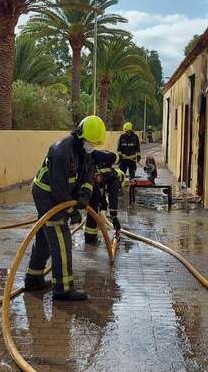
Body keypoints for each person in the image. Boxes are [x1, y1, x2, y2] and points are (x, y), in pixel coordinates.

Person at [23, 115, 106, 301]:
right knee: (61, 239)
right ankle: (63, 289)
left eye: (95, 144)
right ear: (79, 135)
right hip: (47, 196)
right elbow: (58, 188)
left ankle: (34, 278)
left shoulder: (83, 150)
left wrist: (85, 193)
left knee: (45, 238)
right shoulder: (60, 151)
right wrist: (72, 212)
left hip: (60, 195)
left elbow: (88, 174)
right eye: (90, 142)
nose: (91, 146)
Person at [84, 150, 124, 244]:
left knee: (94, 209)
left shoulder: (107, 171)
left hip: (87, 181)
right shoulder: (114, 179)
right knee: (94, 209)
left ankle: (90, 236)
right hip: (90, 183)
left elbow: (102, 192)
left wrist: (104, 206)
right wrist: (114, 216)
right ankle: (90, 239)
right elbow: (113, 197)